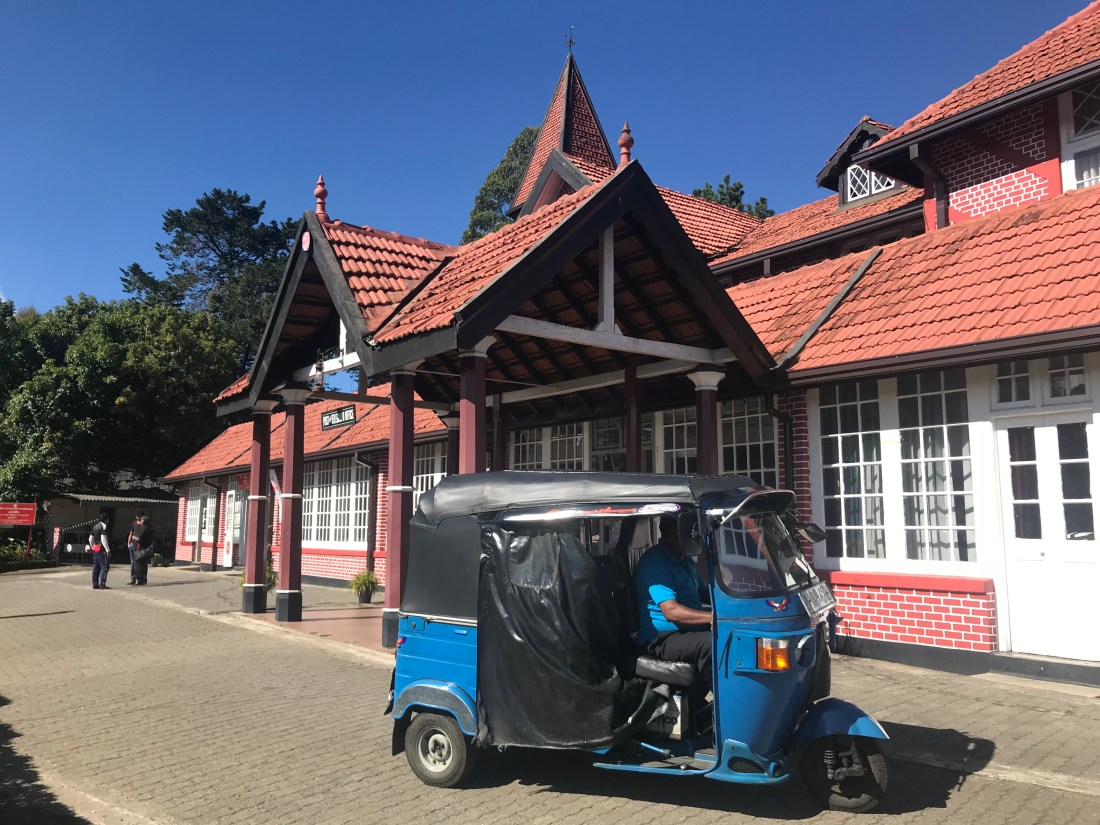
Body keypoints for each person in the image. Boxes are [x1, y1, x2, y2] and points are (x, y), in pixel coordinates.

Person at [634, 514, 712, 687]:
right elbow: (671, 612)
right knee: (714, 644)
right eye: (691, 535)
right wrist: (713, 618)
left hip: (686, 632)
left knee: (732, 634)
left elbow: (705, 592)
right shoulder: (655, 562)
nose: (695, 539)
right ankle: (720, 708)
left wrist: (735, 603)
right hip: (661, 639)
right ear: (674, 536)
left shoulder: (685, 560)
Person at [89, 513, 112, 590]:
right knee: (104, 567)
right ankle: (101, 584)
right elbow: (103, 539)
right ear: (106, 519)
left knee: (96, 567)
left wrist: (92, 547)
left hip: (95, 549)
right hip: (101, 549)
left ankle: (95, 584)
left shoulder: (95, 526)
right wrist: (107, 550)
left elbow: (90, 539)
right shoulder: (104, 526)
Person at [131, 515, 155, 586]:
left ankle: (139, 580)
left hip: (141, 549)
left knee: (138, 564)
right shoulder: (151, 529)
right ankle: (144, 579)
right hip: (148, 549)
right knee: (144, 565)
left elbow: (138, 538)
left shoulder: (143, 528)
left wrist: (134, 537)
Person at [127, 510, 146, 586]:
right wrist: (128, 542)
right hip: (132, 545)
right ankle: (133, 579)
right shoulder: (133, 523)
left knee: (139, 563)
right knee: (132, 563)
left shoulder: (144, 524)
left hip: (140, 546)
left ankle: (140, 579)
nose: (136, 517)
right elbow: (131, 533)